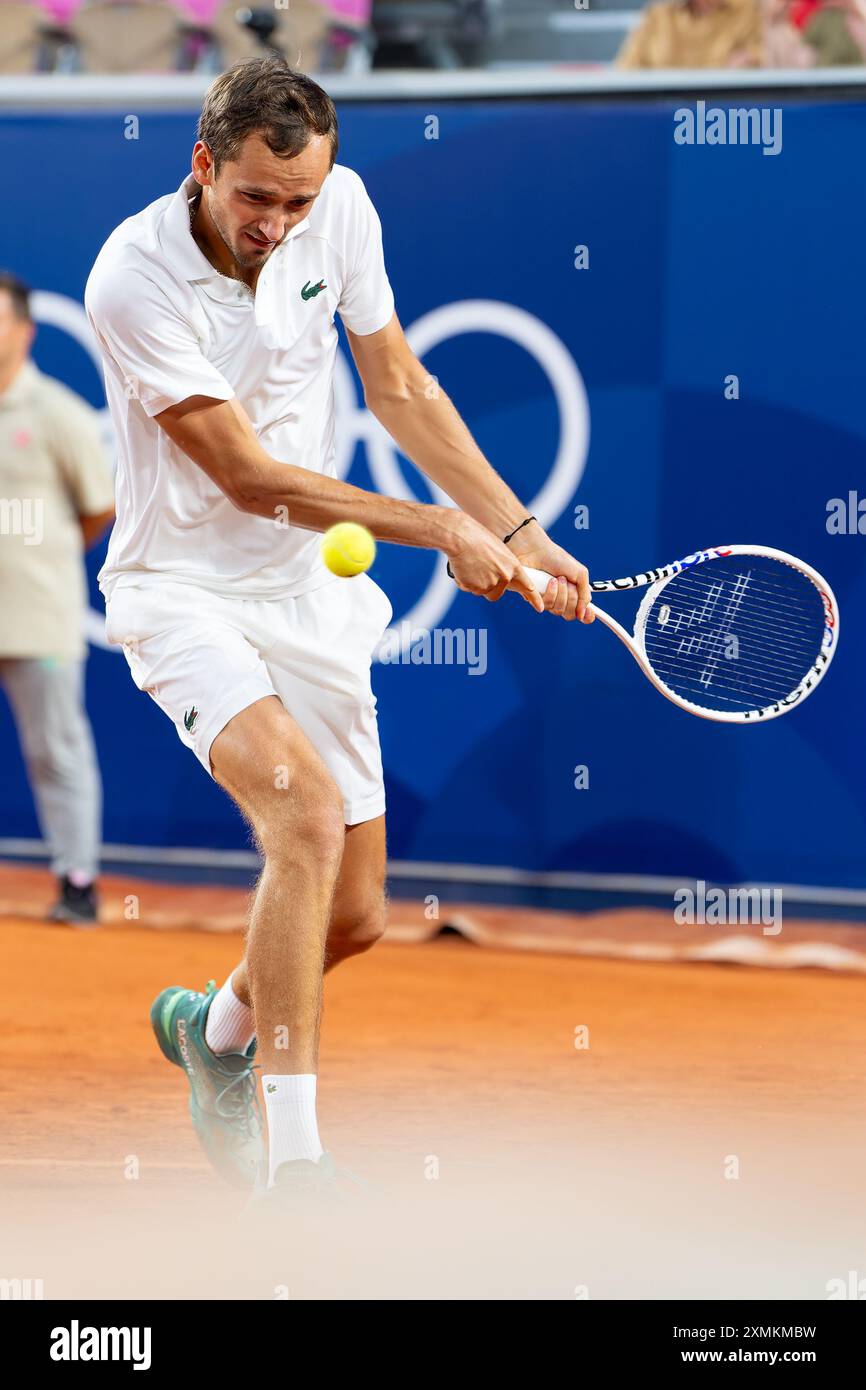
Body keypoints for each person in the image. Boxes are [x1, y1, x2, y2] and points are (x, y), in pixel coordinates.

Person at [85, 56, 592, 1198]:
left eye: (298, 201)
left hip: (309, 593)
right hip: (180, 589)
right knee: (301, 815)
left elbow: (399, 385)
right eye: (256, 197)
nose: (278, 223)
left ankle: (208, 1035)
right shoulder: (132, 275)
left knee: (355, 914)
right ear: (203, 165)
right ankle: (296, 1161)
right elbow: (249, 476)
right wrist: (441, 529)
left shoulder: (341, 210)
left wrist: (516, 525)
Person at [0, 272, 114, 924]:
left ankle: (78, 883)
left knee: (56, 751)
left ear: (24, 331)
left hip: (38, 618)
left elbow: (100, 508)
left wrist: (41, 553)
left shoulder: (60, 415)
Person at [616, 0, 763, 68]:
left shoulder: (751, 9)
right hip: (664, 117)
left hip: (729, 115)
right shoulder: (658, 16)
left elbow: (770, 61)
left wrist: (752, 60)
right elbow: (625, 70)